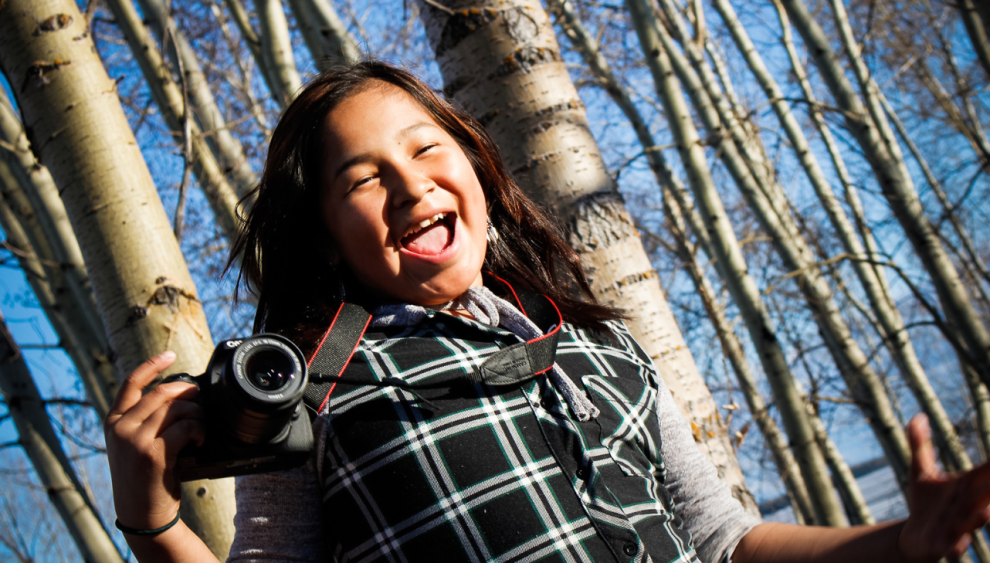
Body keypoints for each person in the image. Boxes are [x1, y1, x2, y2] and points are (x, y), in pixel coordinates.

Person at [105, 61, 990, 563]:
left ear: (481, 177)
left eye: (426, 149)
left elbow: (727, 543)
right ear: (330, 239)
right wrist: (152, 520)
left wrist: (907, 542)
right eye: (365, 178)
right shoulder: (313, 394)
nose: (411, 184)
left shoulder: (602, 343)